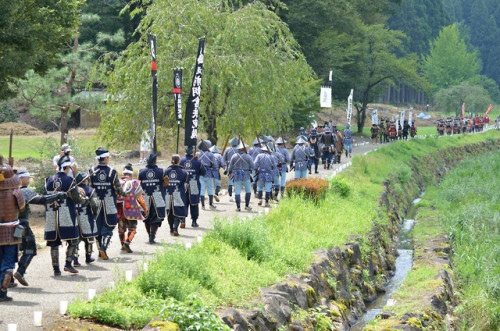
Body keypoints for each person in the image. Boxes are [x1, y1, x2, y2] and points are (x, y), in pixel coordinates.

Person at [13, 169, 66, 286]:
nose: (29, 179)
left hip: (9, 225)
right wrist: (58, 195)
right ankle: (20, 272)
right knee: (30, 248)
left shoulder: (7, 191)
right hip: (21, 226)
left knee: (12, 250)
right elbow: (42, 200)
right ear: (21, 179)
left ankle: (8, 279)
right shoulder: (24, 191)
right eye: (27, 177)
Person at [45, 156, 89, 275]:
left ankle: (56, 270)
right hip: (66, 215)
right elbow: (76, 199)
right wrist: (86, 200)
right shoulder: (70, 180)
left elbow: (45, 197)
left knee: (54, 242)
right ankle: (68, 264)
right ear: (67, 167)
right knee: (74, 240)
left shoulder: (49, 179)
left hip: (51, 215)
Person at [88, 147, 126, 260]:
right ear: (105, 158)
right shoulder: (112, 172)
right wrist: (125, 194)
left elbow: (89, 188)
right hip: (109, 203)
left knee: (98, 227)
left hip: (96, 203)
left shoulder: (91, 171)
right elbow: (118, 189)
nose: (109, 159)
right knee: (110, 225)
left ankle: (100, 251)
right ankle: (104, 247)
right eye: (108, 157)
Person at [0, 165, 25, 301]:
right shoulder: (15, 191)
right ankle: (2, 292)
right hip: (10, 230)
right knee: (8, 264)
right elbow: (21, 207)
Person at [117, 164, 147, 253]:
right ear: (131, 175)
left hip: (119, 209)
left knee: (121, 228)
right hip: (131, 209)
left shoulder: (117, 182)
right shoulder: (135, 183)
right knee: (132, 227)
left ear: (123, 174)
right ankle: (127, 242)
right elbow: (140, 198)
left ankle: (122, 244)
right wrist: (145, 208)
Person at [139, 153, 167, 243]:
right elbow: (165, 183)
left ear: (146, 161)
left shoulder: (141, 172)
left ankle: (150, 235)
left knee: (146, 217)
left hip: (145, 197)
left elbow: (139, 185)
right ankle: (152, 236)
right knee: (157, 217)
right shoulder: (161, 171)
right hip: (157, 197)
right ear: (155, 161)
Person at [74, 172, 99, 266]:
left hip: (75, 217)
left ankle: (75, 259)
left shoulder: (73, 190)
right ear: (85, 180)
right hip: (86, 216)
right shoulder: (90, 190)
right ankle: (88, 257)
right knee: (89, 237)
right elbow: (95, 204)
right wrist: (95, 214)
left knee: (76, 238)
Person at [180, 146, 205, 228]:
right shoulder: (198, 161)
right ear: (193, 151)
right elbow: (203, 172)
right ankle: (194, 221)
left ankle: (182, 220)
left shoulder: (181, 160)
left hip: (183, 184)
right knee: (194, 202)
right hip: (194, 183)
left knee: (183, 202)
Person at [164, 155, 188, 236]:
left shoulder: (166, 171)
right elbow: (185, 181)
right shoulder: (184, 172)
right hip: (178, 194)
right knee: (178, 212)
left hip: (167, 194)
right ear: (179, 161)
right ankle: (175, 228)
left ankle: (171, 229)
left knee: (169, 212)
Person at [227, 141, 254, 211]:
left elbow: (230, 167)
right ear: (244, 149)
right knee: (248, 191)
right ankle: (247, 206)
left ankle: (238, 207)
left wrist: (229, 173)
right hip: (246, 175)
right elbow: (253, 166)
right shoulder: (248, 156)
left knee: (237, 192)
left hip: (236, 176)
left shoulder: (234, 156)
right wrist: (250, 170)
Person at [196, 140, 217, 209]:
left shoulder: (198, 154)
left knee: (201, 189)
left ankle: (203, 206)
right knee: (210, 188)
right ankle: (210, 205)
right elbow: (214, 165)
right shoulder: (211, 154)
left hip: (200, 173)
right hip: (209, 173)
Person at [222, 137, 239, 202]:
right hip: (237, 167)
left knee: (230, 182)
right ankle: (237, 196)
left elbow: (224, 159)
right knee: (237, 182)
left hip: (229, 167)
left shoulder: (227, 150)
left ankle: (230, 197)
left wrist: (225, 166)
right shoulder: (239, 150)